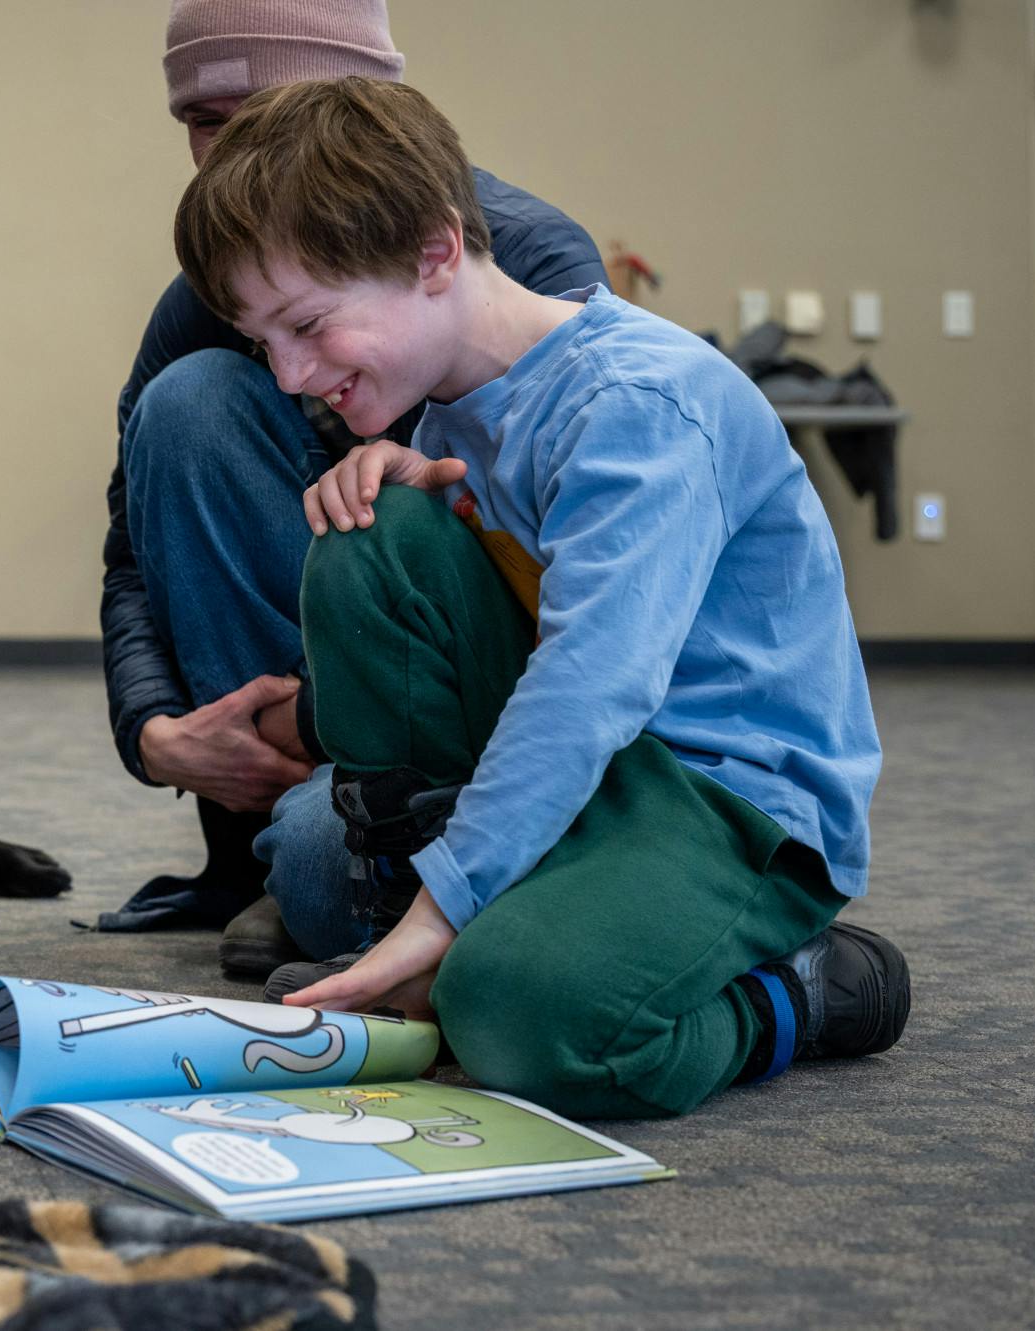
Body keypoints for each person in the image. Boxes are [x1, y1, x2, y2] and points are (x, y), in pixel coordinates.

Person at [172, 75, 908, 1116]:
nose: (288, 374)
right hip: (591, 771)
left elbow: (590, 683)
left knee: (519, 1015)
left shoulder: (638, 402)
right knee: (369, 526)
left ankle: (791, 993)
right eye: (265, 343)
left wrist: (447, 910)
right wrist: (423, 511)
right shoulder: (447, 417)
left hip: (728, 799)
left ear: (434, 252)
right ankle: (419, 934)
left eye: (309, 325)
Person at [98, 0, 610, 981]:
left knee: (327, 873)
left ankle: (337, 843)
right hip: (319, 718)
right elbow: (133, 549)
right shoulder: (206, 303)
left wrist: (443, 481)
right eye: (208, 121)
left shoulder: (535, 279)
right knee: (185, 405)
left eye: (273, 110)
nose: (241, 148)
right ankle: (298, 824)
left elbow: (592, 624)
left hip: (476, 706)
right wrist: (153, 729)